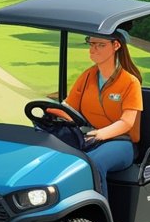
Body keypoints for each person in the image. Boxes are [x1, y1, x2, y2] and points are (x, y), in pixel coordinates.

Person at [54, 29, 143, 195]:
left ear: (116, 46)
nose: (93, 49)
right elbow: (69, 107)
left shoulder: (130, 82)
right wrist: (54, 113)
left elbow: (127, 122)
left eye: (100, 45)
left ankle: (100, 216)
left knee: (94, 163)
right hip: (89, 136)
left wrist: (101, 134)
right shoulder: (87, 76)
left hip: (121, 142)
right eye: (91, 43)